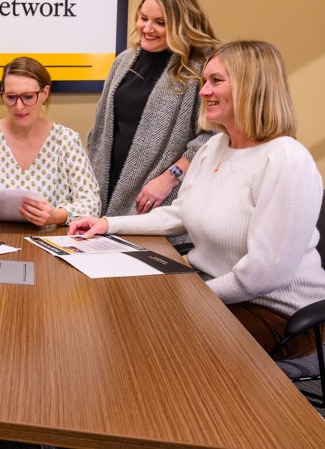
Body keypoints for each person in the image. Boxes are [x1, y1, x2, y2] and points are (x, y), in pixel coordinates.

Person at [71, 41, 325, 359]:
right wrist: (107, 223)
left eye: (216, 81)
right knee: (122, 305)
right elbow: (180, 213)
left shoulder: (286, 159)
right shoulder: (215, 146)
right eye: (205, 81)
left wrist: (190, 295)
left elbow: (263, 276)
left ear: (252, 85)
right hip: (209, 285)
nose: (204, 92)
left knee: (154, 338)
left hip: (273, 311)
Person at [87, 0, 219, 225]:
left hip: (161, 197)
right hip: (107, 192)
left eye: (161, 23)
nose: (148, 28)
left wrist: (170, 178)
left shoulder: (198, 68)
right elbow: (101, 131)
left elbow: (211, 138)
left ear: (181, 25)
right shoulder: (124, 61)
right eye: (143, 18)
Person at [0, 56, 100, 225]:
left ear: (44, 93)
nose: (19, 106)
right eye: (11, 97)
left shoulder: (66, 140)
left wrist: (57, 216)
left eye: (28, 97)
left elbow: (91, 204)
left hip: (52, 240)